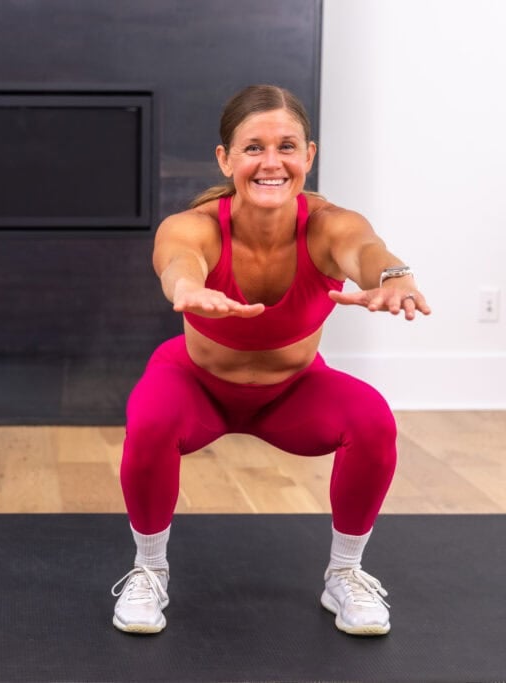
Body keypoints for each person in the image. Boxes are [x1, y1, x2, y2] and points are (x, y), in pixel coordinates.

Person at [110, 84, 430, 636]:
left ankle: (346, 573)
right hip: (198, 386)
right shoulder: (198, 225)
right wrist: (187, 284)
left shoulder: (330, 224)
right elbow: (178, 259)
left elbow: (367, 251)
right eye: (253, 147)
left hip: (292, 391)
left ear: (309, 155)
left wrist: (393, 276)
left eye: (286, 146)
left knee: (373, 418)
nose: (270, 162)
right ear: (226, 158)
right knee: (151, 416)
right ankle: (149, 569)